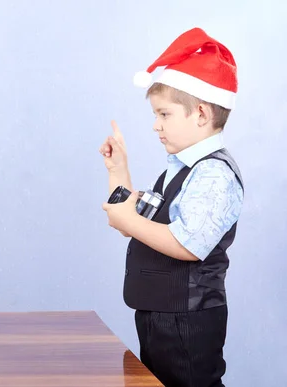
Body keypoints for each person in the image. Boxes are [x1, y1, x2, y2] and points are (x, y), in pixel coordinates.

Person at [100, 28, 244, 387]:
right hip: (161, 313)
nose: (155, 126)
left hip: (189, 318)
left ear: (200, 113)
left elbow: (186, 244)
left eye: (164, 115)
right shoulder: (179, 169)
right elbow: (136, 221)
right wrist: (119, 169)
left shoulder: (213, 174)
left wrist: (129, 223)